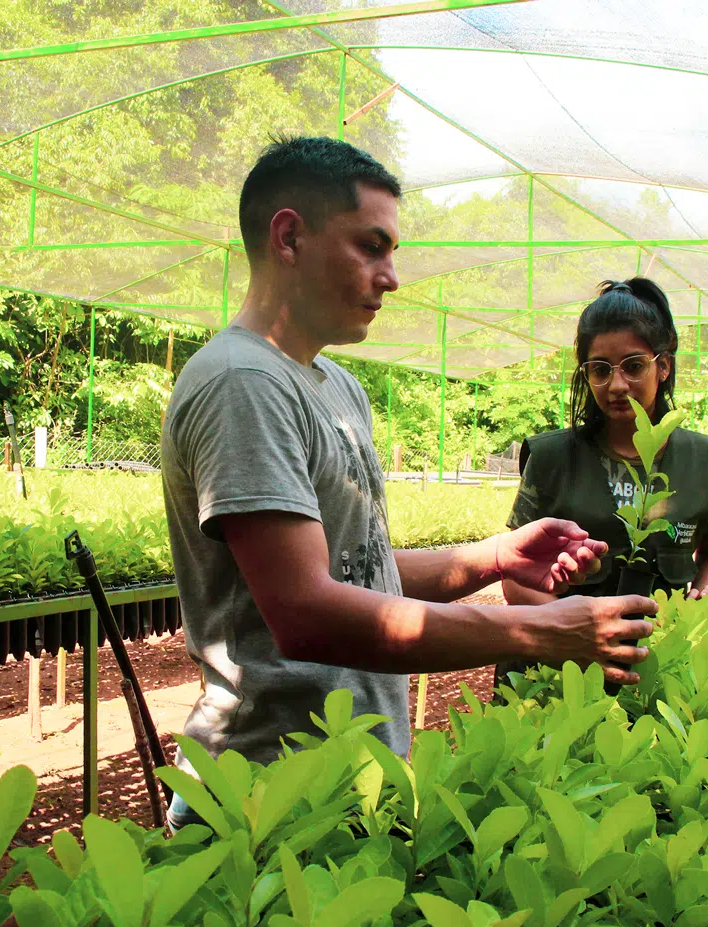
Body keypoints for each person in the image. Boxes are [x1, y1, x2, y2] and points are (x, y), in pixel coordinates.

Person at [159, 137, 658, 829]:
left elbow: (353, 571)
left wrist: (493, 557)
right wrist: (538, 631)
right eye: (372, 246)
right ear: (290, 237)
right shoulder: (243, 382)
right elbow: (305, 611)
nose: (391, 276)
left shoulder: (336, 386)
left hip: (347, 777)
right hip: (266, 788)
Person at [497, 278, 708, 681]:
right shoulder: (552, 457)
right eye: (600, 370)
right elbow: (513, 572)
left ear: (663, 365)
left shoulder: (705, 459)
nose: (617, 385)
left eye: (634, 366)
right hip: (556, 670)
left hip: (659, 671)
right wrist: (568, 627)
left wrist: (706, 592)